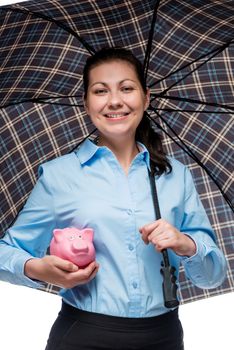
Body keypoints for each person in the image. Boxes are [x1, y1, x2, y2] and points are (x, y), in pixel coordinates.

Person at [0, 47, 227, 350]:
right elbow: (6, 253)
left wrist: (187, 244)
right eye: (100, 90)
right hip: (84, 335)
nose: (115, 101)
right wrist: (36, 269)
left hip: (164, 337)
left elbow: (213, 276)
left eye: (126, 88)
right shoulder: (59, 175)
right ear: (86, 103)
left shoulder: (177, 176)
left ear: (145, 98)